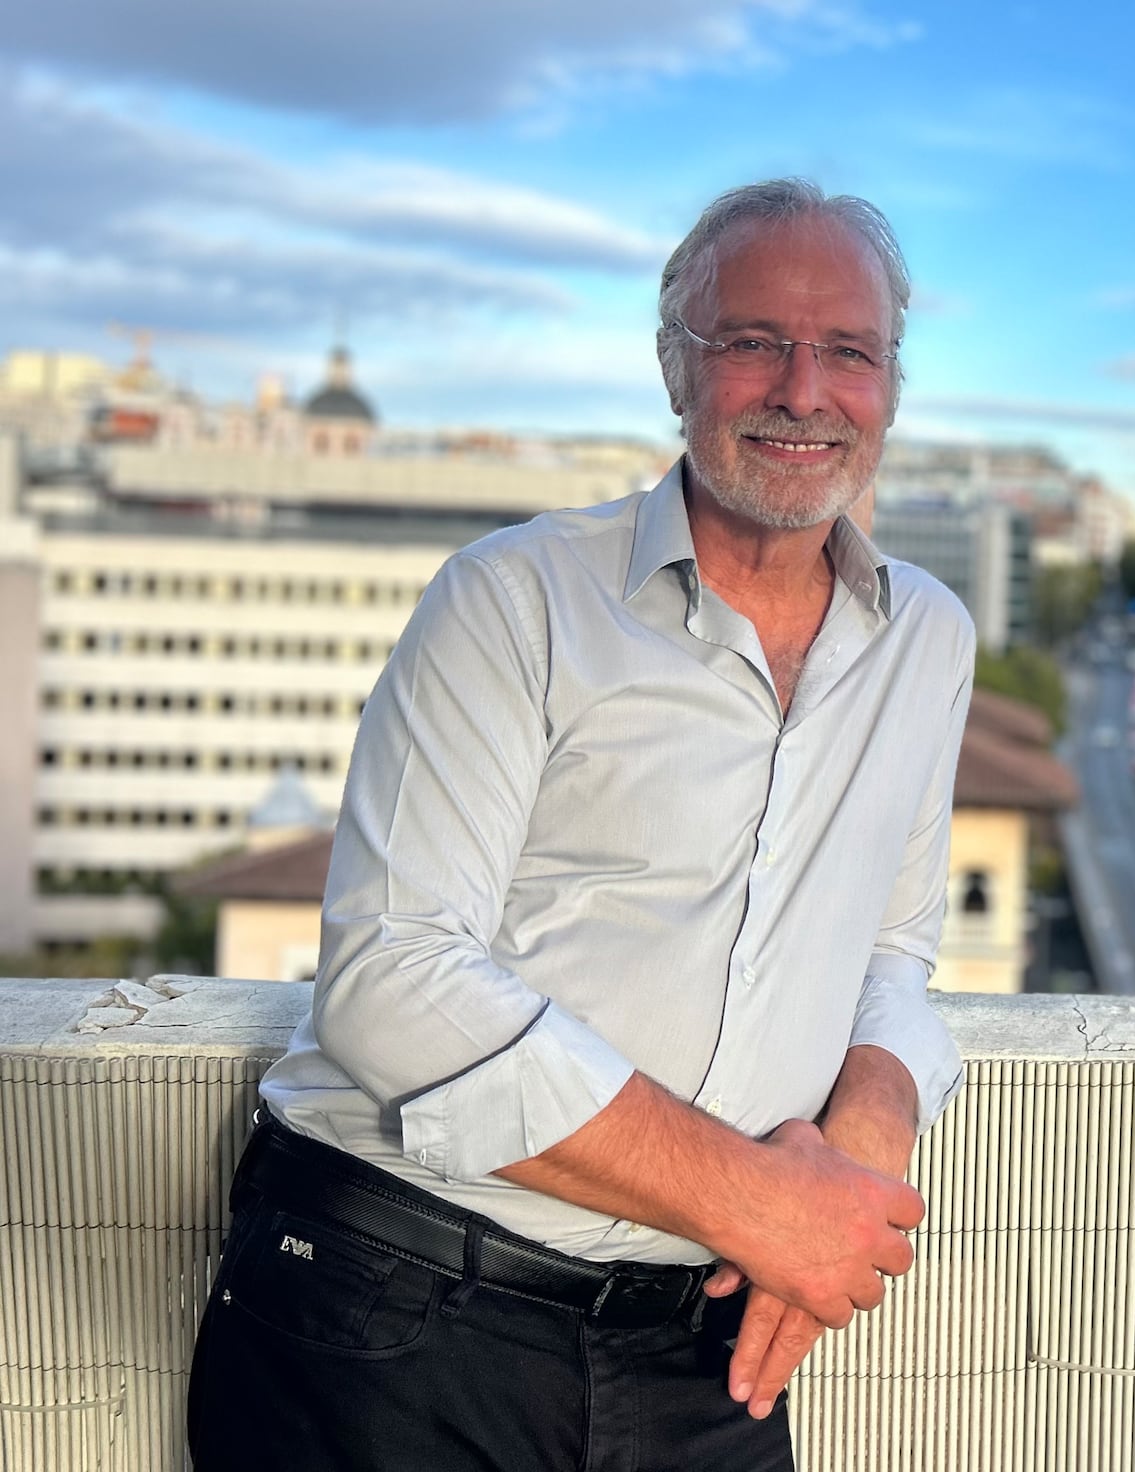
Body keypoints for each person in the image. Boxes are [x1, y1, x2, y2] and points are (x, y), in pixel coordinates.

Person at [186, 179, 976, 1472]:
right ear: (678, 370)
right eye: (755, 342)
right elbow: (389, 983)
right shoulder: (514, 601)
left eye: (849, 350)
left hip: (703, 1346)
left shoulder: (929, 639)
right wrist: (763, 1203)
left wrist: (874, 1121)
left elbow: (891, 950)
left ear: (892, 381)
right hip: (397, 1315)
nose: (804, 387)